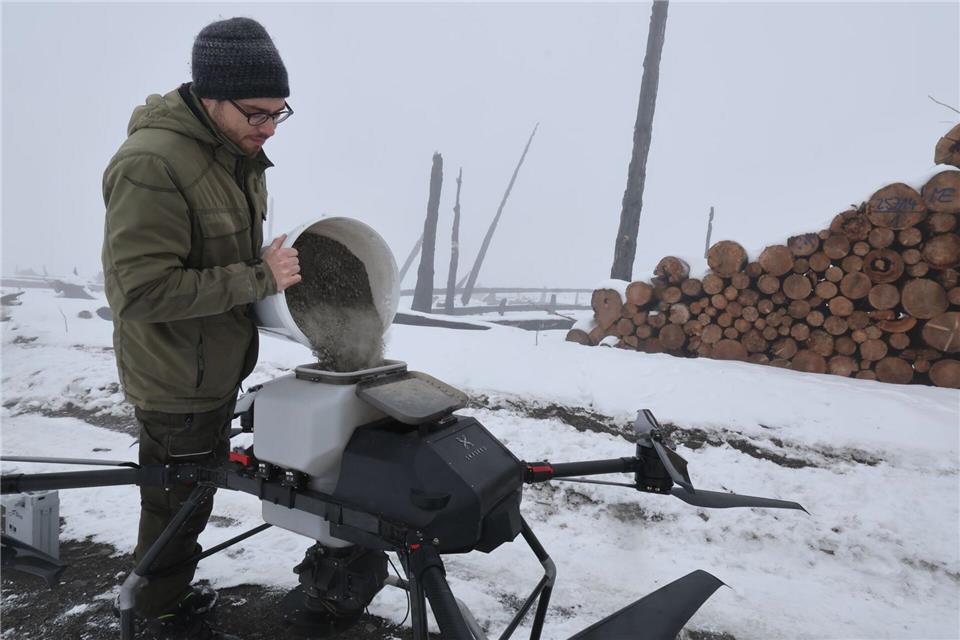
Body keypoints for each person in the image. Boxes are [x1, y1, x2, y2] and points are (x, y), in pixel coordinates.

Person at [101, 17, 300, 639]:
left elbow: (215, 257)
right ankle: (155, 607)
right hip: (175, 378)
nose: (268, 128)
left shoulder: (232, 154)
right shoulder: (151, 164)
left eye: (278, 114)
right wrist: (258, 277)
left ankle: (161, 588)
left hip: (212, 363)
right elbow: (138, 290)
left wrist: (259, 273)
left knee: (191, 491)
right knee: (176, 503)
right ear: (210, 96)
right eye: (256, 114)